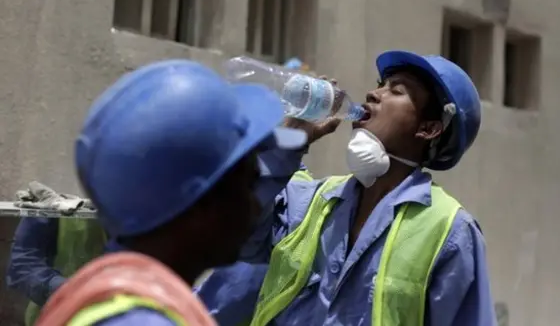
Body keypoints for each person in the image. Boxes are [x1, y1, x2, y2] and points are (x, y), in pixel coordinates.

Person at [199, 50, 497, 325]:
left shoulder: (449, 232)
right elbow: (232, 234)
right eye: (381, 84)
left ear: (429, 128)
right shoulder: (308, 202)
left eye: (397, 90)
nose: (373, 93)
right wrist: (287, 145)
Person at [35, 59, 337, 325]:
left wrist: (291, 141)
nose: (257, 207)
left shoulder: (107, 294)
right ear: (202, 206)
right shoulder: (142, 320)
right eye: (249, 185)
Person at [6, 184, 106, 326]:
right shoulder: (52, 190)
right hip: (52, 316)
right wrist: (63, 289)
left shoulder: (138, 199)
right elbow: (23, 262)